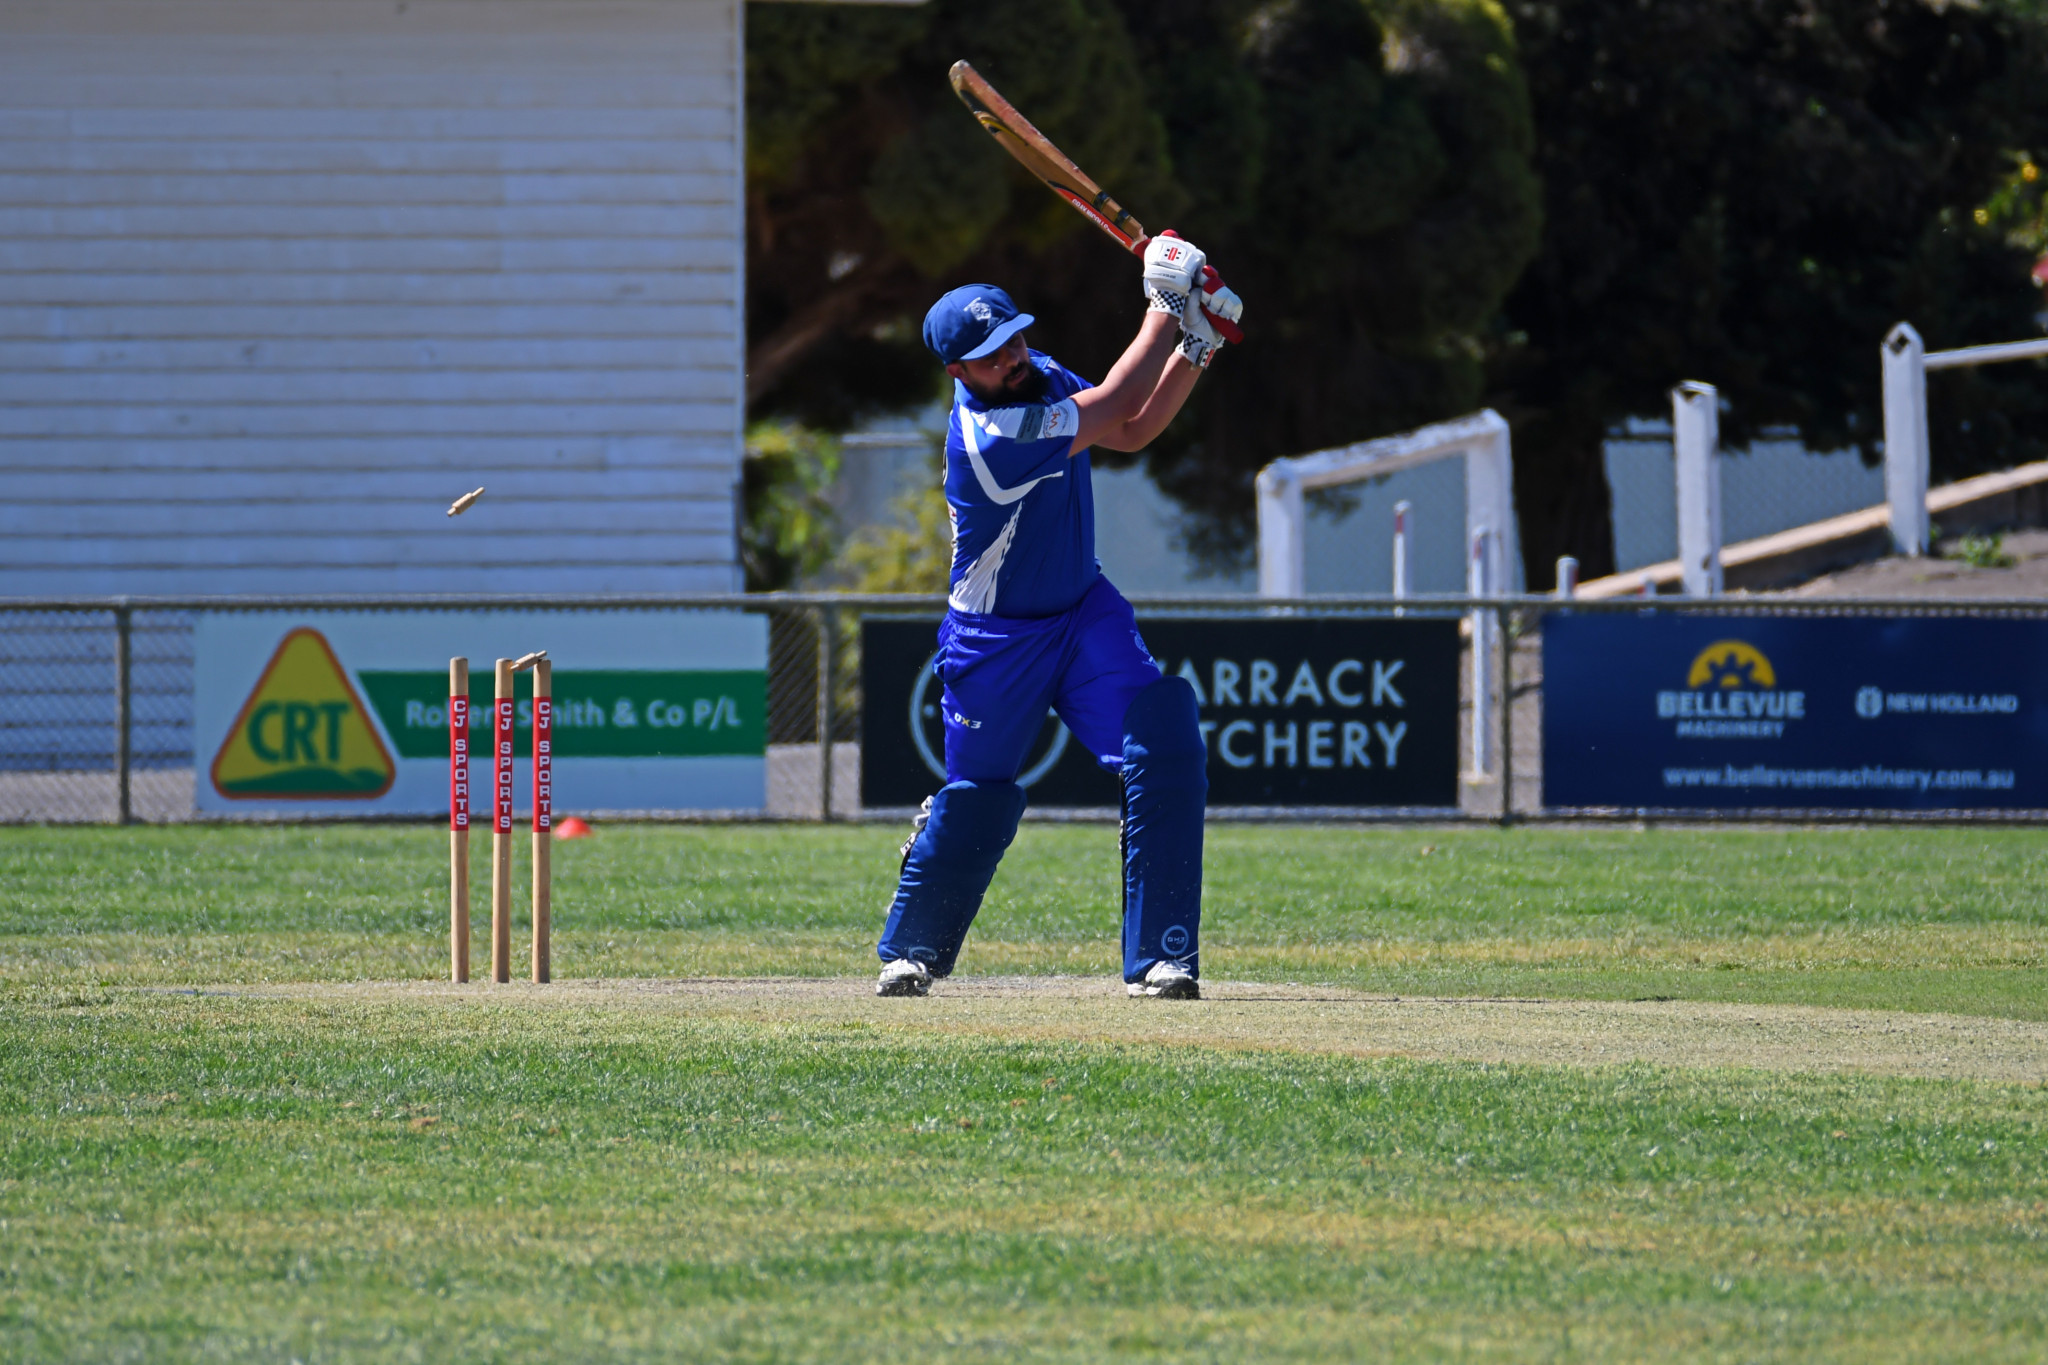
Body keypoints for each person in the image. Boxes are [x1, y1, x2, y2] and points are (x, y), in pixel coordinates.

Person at [875, 233, 1243, 1000]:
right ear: (956, 372)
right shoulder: (989, 438)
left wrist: (1195, 345)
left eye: (1014, 339)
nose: (1011, 359)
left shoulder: (1037, 378)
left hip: (1082, 613)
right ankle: (912, 949)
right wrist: (1165, 306)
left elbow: (1131, 428)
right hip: (993, 639)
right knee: (977, 799)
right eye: (990, 355)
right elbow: (1110, 401)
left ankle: (1162, 957)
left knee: (1166, 744)